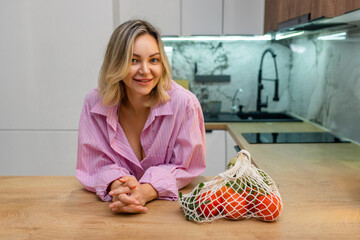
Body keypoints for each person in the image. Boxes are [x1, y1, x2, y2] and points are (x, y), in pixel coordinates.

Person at [76, 19, 206, 214]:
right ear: (117, 63)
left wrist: (145, 191)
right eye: (133, 60)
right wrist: (117, 186)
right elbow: (94, 163)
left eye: (153, 60)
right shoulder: (94, 102)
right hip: (110, 214)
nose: (145, 71)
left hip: (168, 216)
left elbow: (187, 166)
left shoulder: (185, 104)